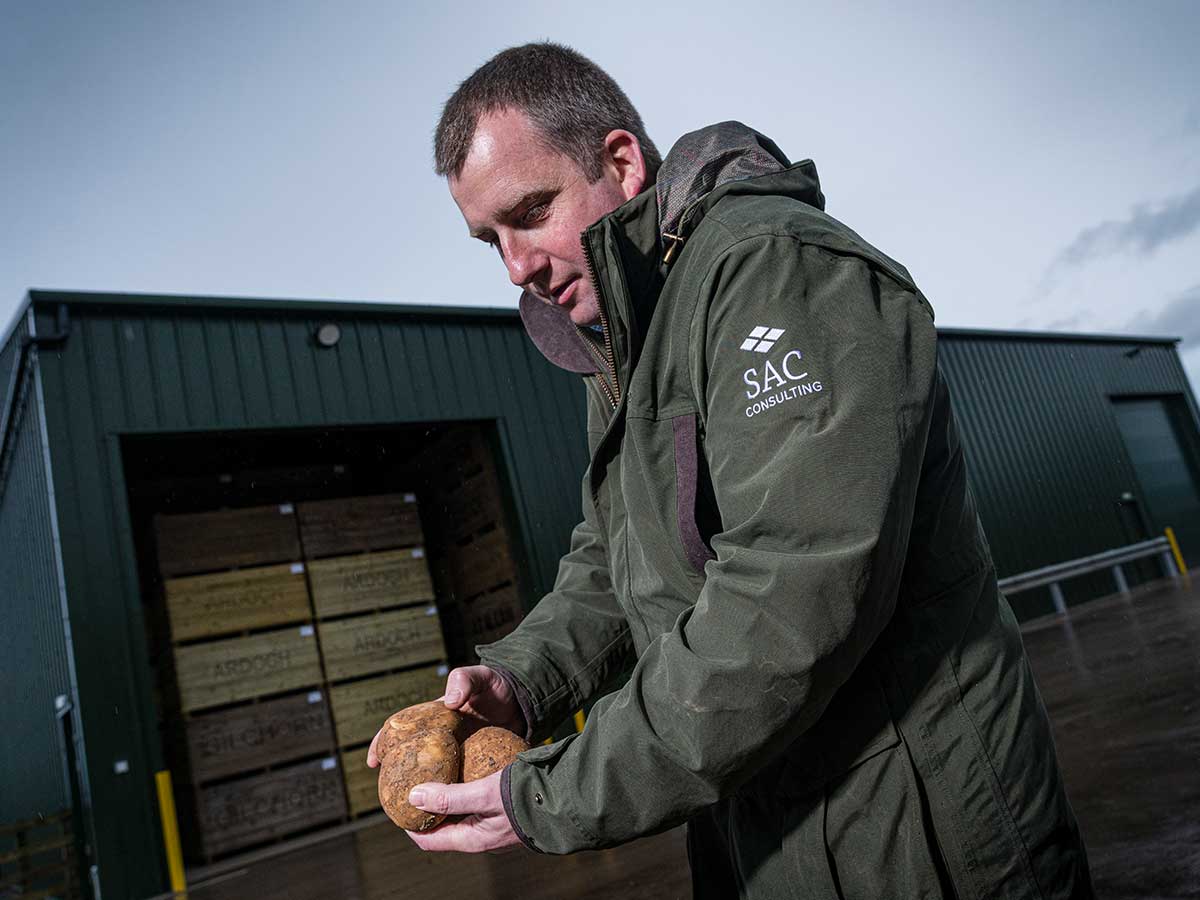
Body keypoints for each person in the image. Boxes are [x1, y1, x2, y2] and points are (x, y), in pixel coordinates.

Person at [367, 42, 1094, 899]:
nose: (518, 267)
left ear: (621, 163)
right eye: (491, 240)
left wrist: (557, 792)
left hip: (915, 838)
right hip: (763, 835)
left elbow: (790, 594)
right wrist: (522, 679)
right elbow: (612, 558)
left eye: (532, 211)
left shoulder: (777, 270)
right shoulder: (625, 345)